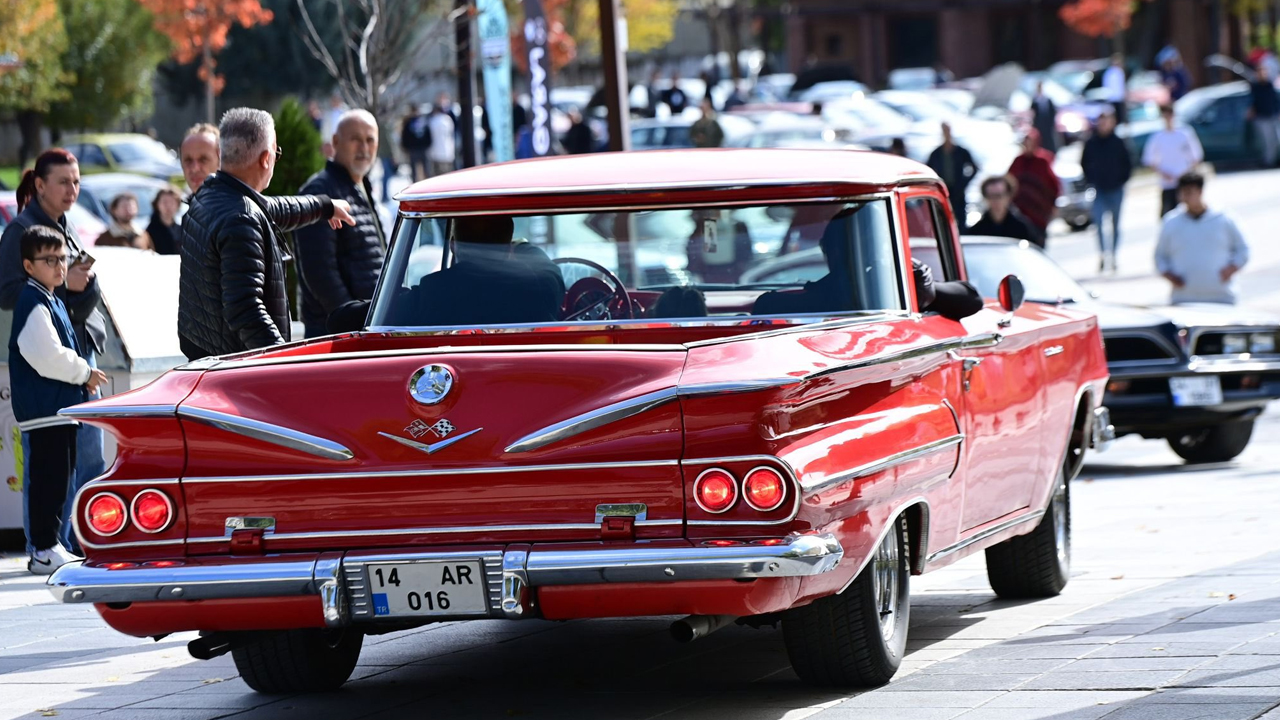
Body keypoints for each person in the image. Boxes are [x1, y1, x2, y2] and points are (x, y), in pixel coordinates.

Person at [177, 108, 355, 361]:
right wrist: (285, 363)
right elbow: (246, 311)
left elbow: (271, 208)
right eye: (276, 153)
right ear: (266, 158)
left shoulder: (210, 194)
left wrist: (325, 206)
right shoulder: (241, 217)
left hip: (208, 361)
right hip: (235, 370)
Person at [0, 149, 108, 556]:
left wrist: (82, 285)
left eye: (77, 181)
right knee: (49, 461)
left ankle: (84, 542)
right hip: (49, 362)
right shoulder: (20, 231)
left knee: (88, 456)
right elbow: (9, 294)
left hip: (80, 351)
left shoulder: (67, 224)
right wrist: (67, 285)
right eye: (63, 182)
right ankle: (45, 547)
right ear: (40, 185)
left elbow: (75, 288)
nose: (72, 190)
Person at [295, 110, 387, 339]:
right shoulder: (320, 192)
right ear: (335, 142)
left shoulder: (362, 187)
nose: (364, 148)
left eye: (370, 140)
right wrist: (350, 321)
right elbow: (320, 272)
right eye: (355, 139)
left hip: (366, 326)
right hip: (336, 334)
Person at [405, 215, 565, 326]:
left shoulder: (431, 291)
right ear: (509, 248)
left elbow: (395, 314)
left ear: (452, 246)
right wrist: (521, 245)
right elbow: (549, 271)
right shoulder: (536, 287)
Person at [1155, 173, 1249, 305]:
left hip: (1221, 297)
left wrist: (1230, 269)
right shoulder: (1171, 221)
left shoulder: (1223, 219)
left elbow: (1243, 249)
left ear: (1200, 191)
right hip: (1183, 298)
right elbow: (1160, 255)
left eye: (1189, 192)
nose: (1185, 197)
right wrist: (1169, 275)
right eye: (1182, 192)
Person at [1081, 110, 1131, 272]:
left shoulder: (1118, 142)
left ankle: (1114, 255)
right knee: (1098, 223)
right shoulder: (1091, 142)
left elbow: (1128, 163)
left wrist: (1122, 180)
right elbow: (1084, 163)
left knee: (1115, 224)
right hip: (1099, 190)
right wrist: (1091, 180)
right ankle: (1103, 254)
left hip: (1116, 189)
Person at [1142, 104, 1203, 218]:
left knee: (1189, 214)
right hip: (1168, 184)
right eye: (1165, 116)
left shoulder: (1185, 133)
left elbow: (1197, 156)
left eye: (1169, 115)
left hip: (1185, 184)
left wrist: (1188, 175)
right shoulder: (1157, 137)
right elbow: (1149, 160)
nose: (1168, 119)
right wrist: (1163, 173)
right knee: (1168, 215)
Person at [1006, 130, 1059, 245]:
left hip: (1039, 211)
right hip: (1021, 210)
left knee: (1038, 240)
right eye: (1026, 142)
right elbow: (1008, 182)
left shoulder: (1042, 160)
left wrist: (1053, 204)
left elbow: (1052, 185)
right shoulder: (1018, 161)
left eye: (1030, 142)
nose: (1028, 145)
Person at [926, 122, 977, 231]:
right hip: (944, 191)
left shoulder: (961, 151)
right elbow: (928, 170)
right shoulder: (937, 153)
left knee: (961, 222)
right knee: (943, 222)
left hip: (958, 192)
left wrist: (964, 183)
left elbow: (974, 168)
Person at [967, 176, 1040, 244]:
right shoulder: (976, 230)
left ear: (1009, 196)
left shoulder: (1022, 228)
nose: (995, 200)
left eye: (999, 195)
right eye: (991, 196)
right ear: (985, 198)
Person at [1247, 63, 1280, 168]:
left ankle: (1274, 160)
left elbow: (1275, 100)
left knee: (1276, 140)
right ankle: (1268, 162)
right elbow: (1252, 102)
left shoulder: (1270, 85)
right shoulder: (1255, 87)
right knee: (1267, 141)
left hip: (1273, 116)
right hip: (1262, 117)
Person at [180, 123, 221, 194]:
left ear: (221, 161)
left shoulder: (238, 199)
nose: (194, 168)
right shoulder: (182, 199)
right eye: (188, 160)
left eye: (203, 159)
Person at [146, 186, 183, 255]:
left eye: (172, 202)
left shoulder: (182, 229)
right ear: (157, 204)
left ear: (178, 205)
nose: (168, 206)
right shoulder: (150, 231)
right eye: (165, 202)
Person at [401, 105, 432, 182]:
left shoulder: (423, 121)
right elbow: (405, 136)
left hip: (423, 148)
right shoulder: (408, 122)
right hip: (413, 149)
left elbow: (428, 134)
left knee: (426, 170)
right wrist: (406, 147)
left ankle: (428, 183)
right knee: (414, 171)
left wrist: (428, 144)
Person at [428, 94, 457, 177]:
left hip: (436, 151)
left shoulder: (433, 120)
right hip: (447, 150)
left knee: (438, 174)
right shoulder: (448, 119)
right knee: (447, 173)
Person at [1031, 82, 1059, 154]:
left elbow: (1052, 112)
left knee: (1048, 140)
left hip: (1047, 124)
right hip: (1039, 124)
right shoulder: (1035, 100)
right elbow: (1033, 113)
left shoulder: (1047, 99)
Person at [1102, 53, 1127, 124]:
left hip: (1118, 98)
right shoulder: (1112, 72)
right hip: (1113, 98)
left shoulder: (1117, 72)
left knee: (1120, 116)